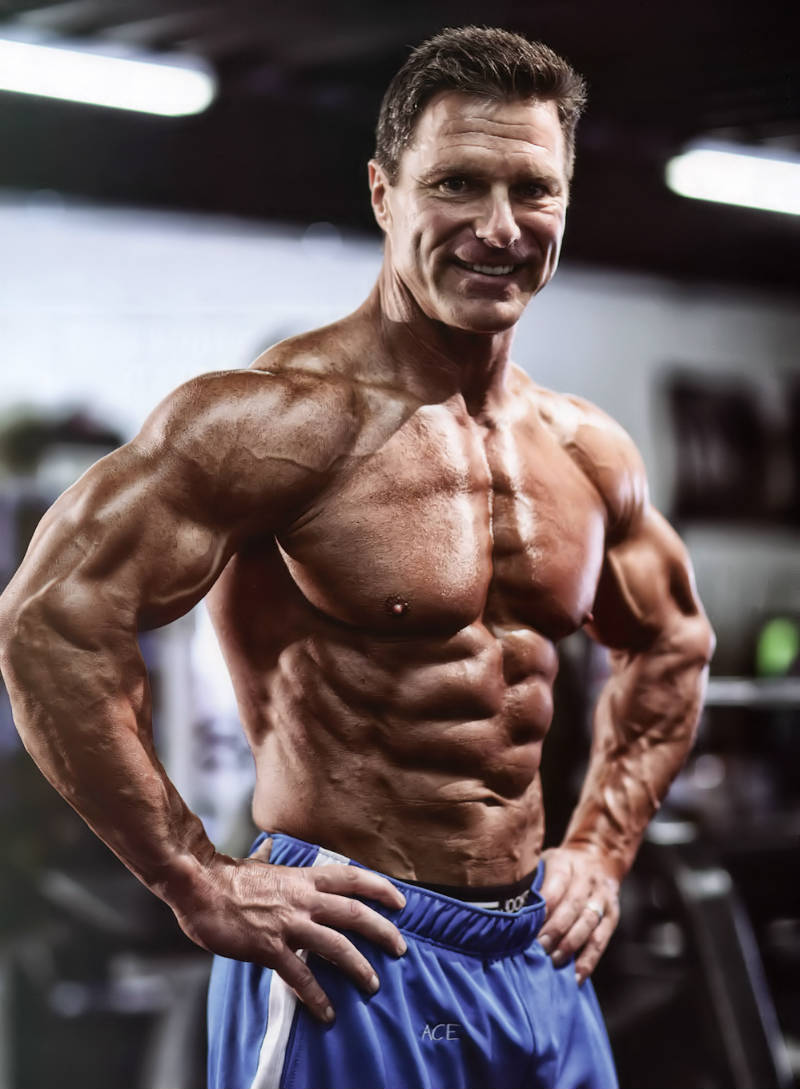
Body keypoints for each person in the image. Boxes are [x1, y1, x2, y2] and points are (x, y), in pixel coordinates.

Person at [0, 25, 714, 1089]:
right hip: (351, 941)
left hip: (536, 951)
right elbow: (50, 622)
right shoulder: (271, 421)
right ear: (384, 194)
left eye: (533, 190)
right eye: (457, 185)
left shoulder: (583, 450)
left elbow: (669, 644)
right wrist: (193, 876)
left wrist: (600, 850)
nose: (497, 227)